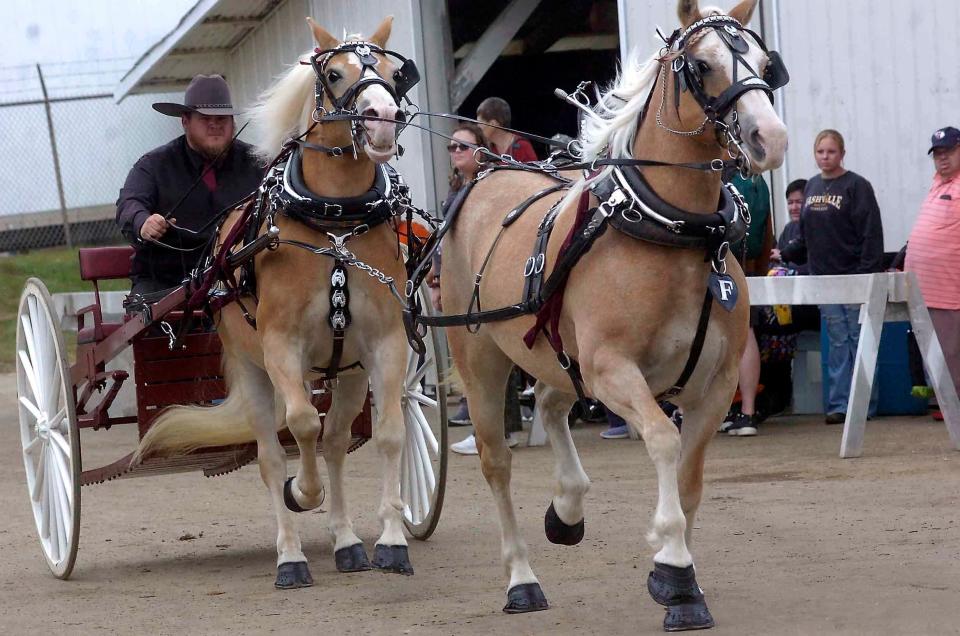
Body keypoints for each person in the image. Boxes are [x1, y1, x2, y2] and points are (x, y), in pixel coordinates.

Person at [116, 74, 263, 297]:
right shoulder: (153, 166)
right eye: (205, 118)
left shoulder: (258, 164)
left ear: (233, 122)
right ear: (185, 121)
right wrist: (143, 222)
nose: (214, 125)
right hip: (165, 281)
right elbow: (130, 202)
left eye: (222, 117)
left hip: (239, 282)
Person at [780, 129, 884, 424]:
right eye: (820, 152)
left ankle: (865, 405)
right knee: (837, 342)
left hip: (853, 276)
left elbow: (870, 232)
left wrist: (866, 273)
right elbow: (805, 237)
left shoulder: (856, 186)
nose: (825, 157)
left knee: (857, 340)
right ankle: (839, 405)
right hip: (823, 279)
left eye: (831, 152)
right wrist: (787, 253)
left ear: (842, 154)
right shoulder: (811, 186)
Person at [904, 126, 960, 403]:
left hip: (950, 293)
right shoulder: (938, 182)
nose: (942, 157)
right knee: (938, 360)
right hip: (926, 290)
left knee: (951, 359)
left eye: (949, 151)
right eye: (937, 152)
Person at [720, 172, 773, 437]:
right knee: (744, 333)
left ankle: (741, 410)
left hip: (724, 265)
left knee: (735, 336)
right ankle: (745, 411)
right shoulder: (757, 181)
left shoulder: (721, 175)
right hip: (749, 267)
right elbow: (767, 231)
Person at [476, 97, 538, 163]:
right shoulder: (485, 150)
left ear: (493, 124)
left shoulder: (521, 146)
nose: (478, 126)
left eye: (480, 123)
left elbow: (536, 173)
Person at [771, 179, 808, 273]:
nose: (794, 208)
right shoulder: (788, 229)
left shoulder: (816, 229)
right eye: (790, 203)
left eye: (799, 202)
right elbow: (777, 260)